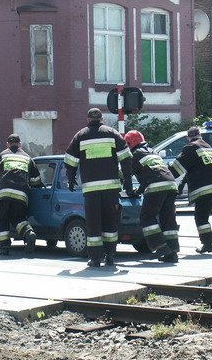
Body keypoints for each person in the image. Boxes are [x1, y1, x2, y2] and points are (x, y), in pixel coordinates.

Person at [65, 108, 134, 267]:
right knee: (110, 222)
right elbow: (125, 158)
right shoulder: (112, 133)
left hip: (91, 190)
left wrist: (71, 179)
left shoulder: (80, 135)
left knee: (93, 223)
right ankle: (110, 255)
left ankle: (95, 258)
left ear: (88, 119)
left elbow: (70, 161)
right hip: (111, 189)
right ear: (102, 119)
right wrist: (128, 178)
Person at [169, 126, 212, 255]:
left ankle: (208, 244)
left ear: (188, 138)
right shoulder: (207, 146)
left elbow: (176, 169)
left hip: (205, 188)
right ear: (200, 135)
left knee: (201, 217)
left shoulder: (190, 148)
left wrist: (165, 176)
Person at [124, 130, 179, 263]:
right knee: (167, 218)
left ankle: (160, 246)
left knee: (147, 216)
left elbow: (126, 175)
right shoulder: (153, 152)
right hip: (171, 185)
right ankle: (172, 252)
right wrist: (140, 189)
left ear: (130, 143)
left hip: (156, 187)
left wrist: (129, 190)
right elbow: (149, 173)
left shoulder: (135, 155)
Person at [0, 133, 43, 256]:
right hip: (21, 194)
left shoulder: (2, 156)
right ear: (20, 144)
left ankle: (4, 247)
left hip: (4, 193)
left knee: (2, 218)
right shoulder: (27, 157)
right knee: (18, 217)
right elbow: (35, 180)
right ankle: (28, 233)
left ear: (7, 144)